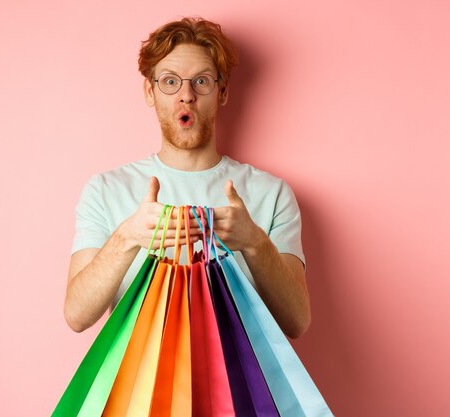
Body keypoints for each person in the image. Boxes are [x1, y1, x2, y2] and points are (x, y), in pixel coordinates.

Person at [64, 17, 310, 339]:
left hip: (241, 389)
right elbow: (76, 315)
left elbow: (297, 322)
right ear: (150, 92)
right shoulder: (106, 190)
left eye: (202, 81)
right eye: (170, 82)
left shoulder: (271, 193)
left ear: (222, 92)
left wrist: (254, 242)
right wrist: (128, 237)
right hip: (139, 389)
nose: (186, 95)